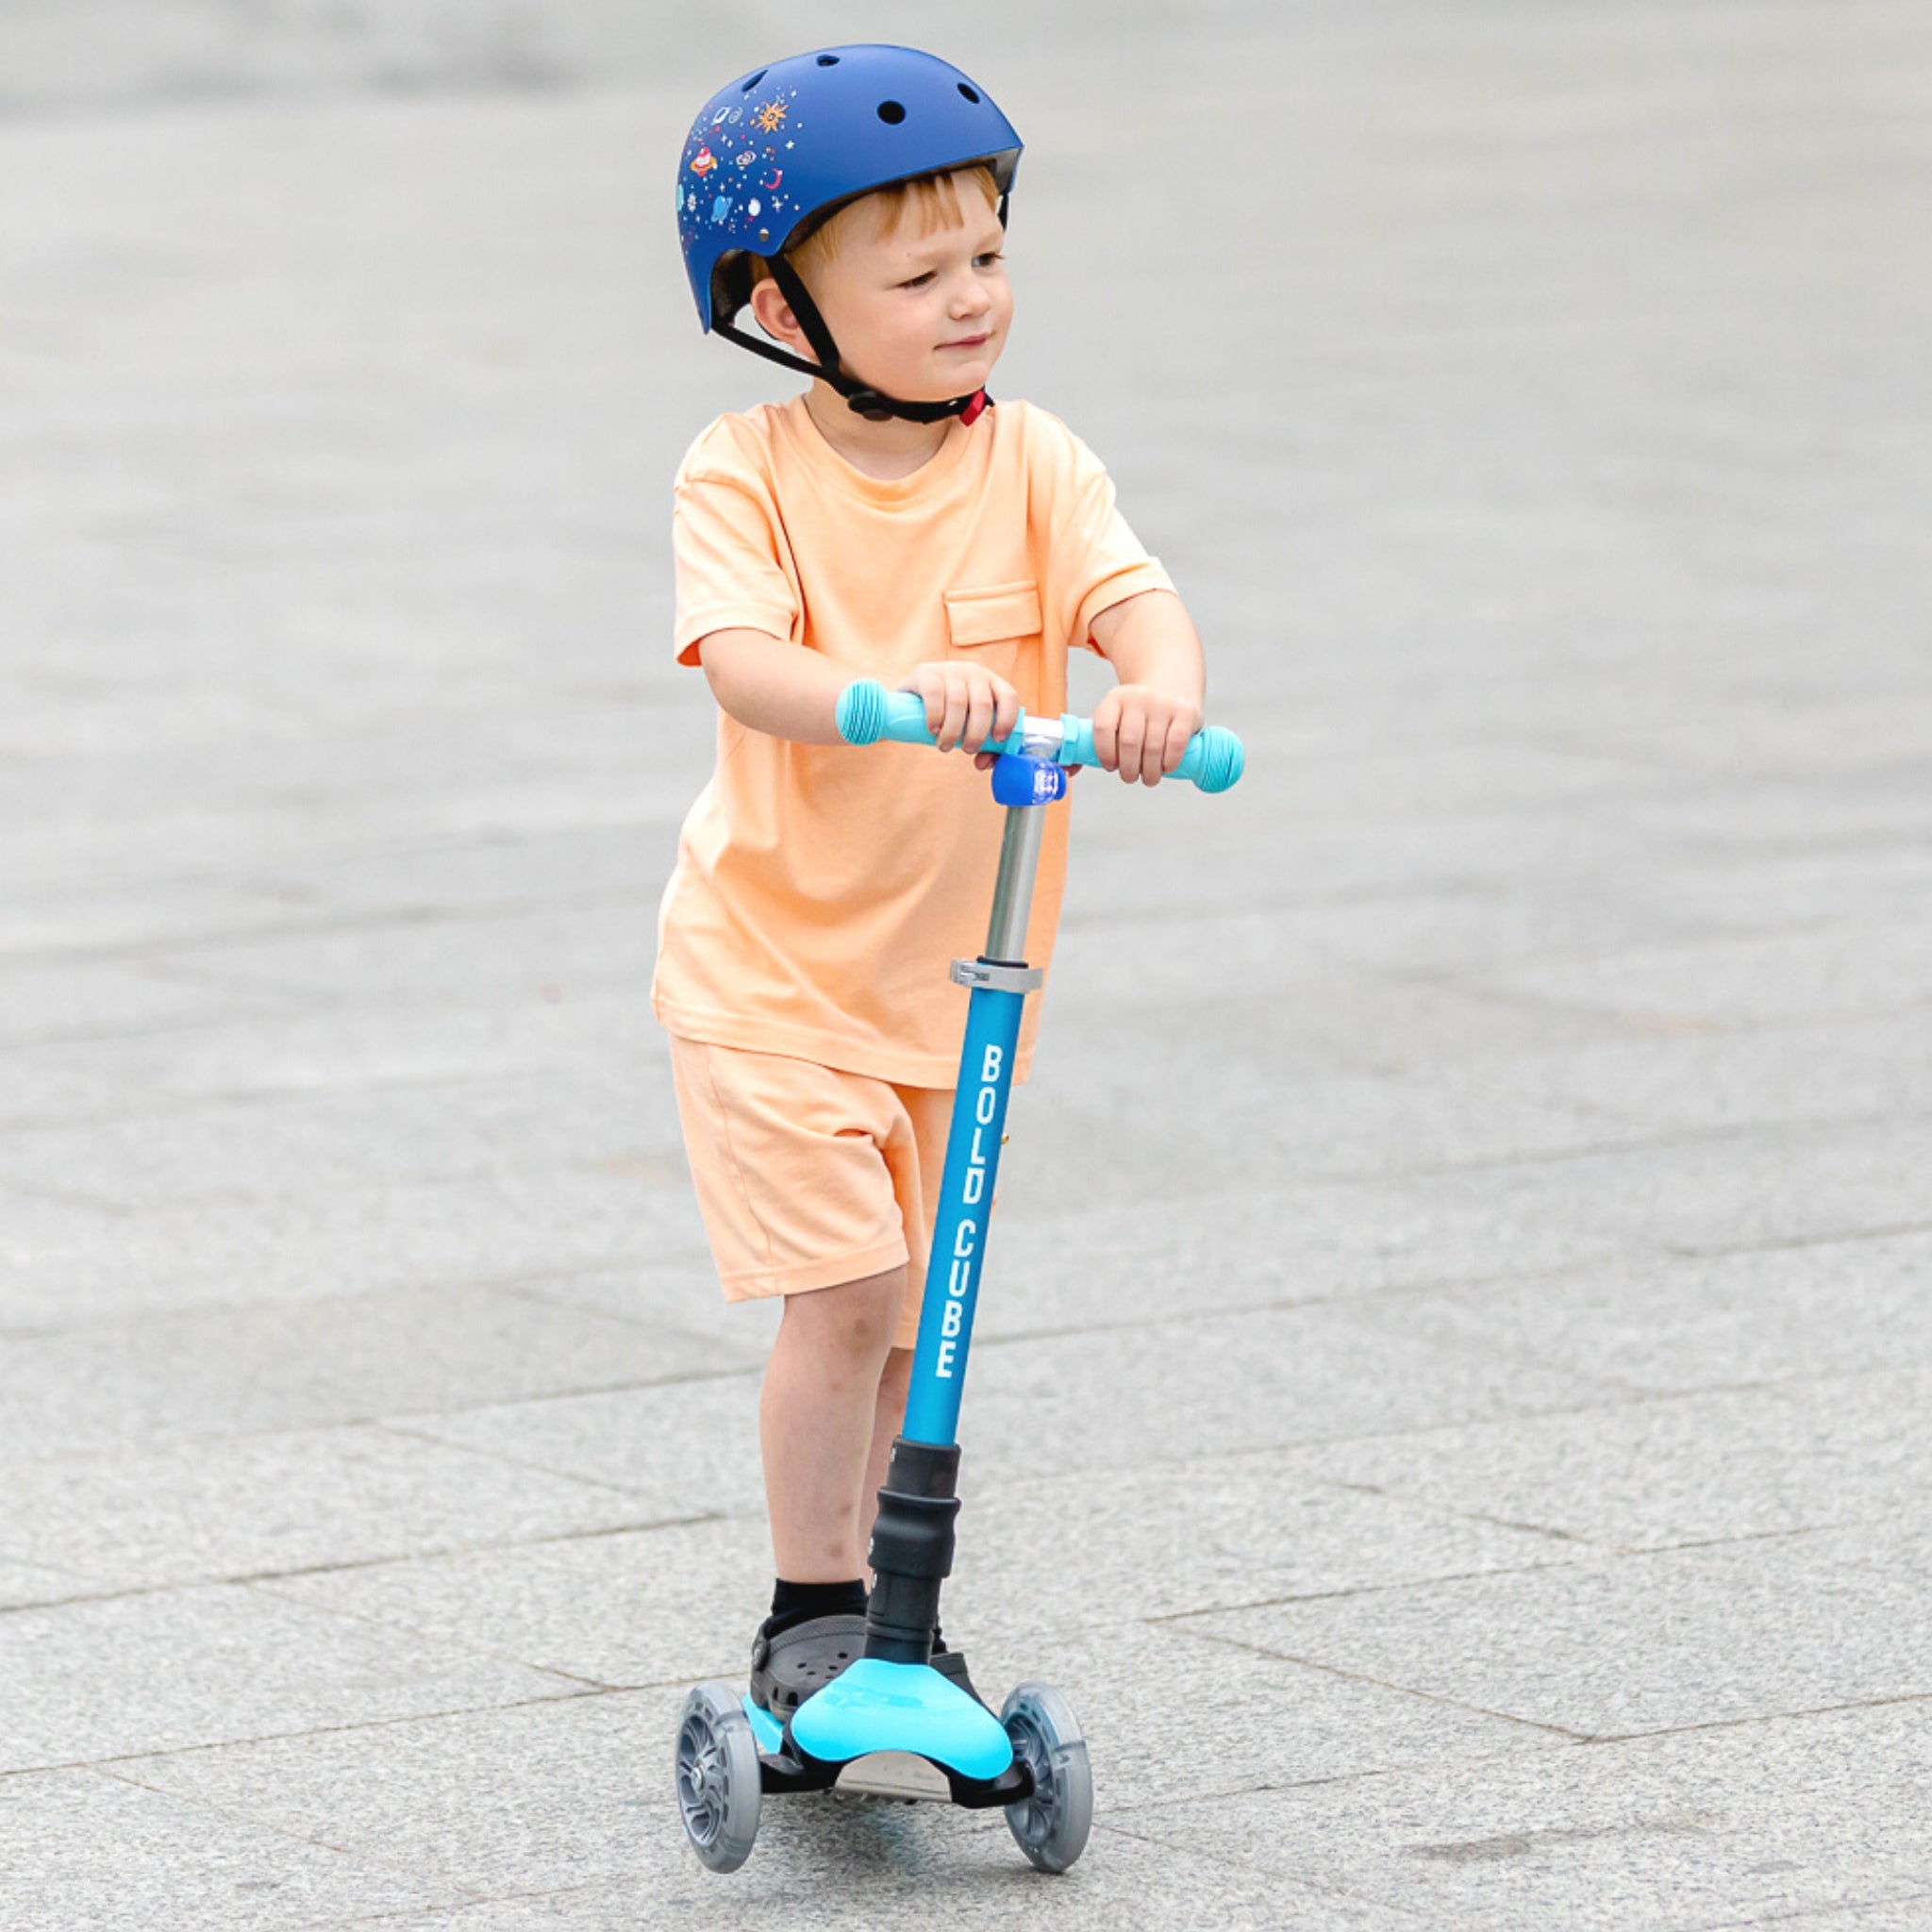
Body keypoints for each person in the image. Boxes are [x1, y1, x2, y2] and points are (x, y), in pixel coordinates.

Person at [657, 44, 1209, 1719]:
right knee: (847, 1303)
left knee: (916, 1326)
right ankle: (815, 1612)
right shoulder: (743, 470)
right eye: (917, 274)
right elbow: (744, 662)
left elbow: (1133, 596)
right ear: (781, 305)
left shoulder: (1034, 459)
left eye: (987, 256)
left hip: (948, 995)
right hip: (772, 979)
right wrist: (891, 701)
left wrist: (1158, 688)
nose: (972, 298)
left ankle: (905, 1634)